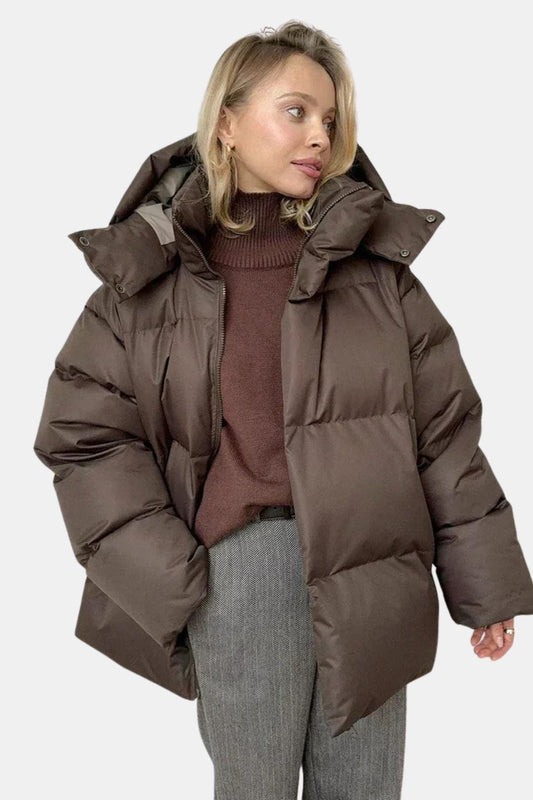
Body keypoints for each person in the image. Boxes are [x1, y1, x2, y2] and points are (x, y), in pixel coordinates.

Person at [33, 19, 533, 800]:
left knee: (365, 790)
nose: (319, 137)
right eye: (295, 111)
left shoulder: (377, 276)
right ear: (226, 124)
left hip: (373, 571)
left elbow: (444, 435)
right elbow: (85, 434)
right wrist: (178, 570)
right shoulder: (148, 282)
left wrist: (485, 585)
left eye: (329, 119)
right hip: (241, 570)